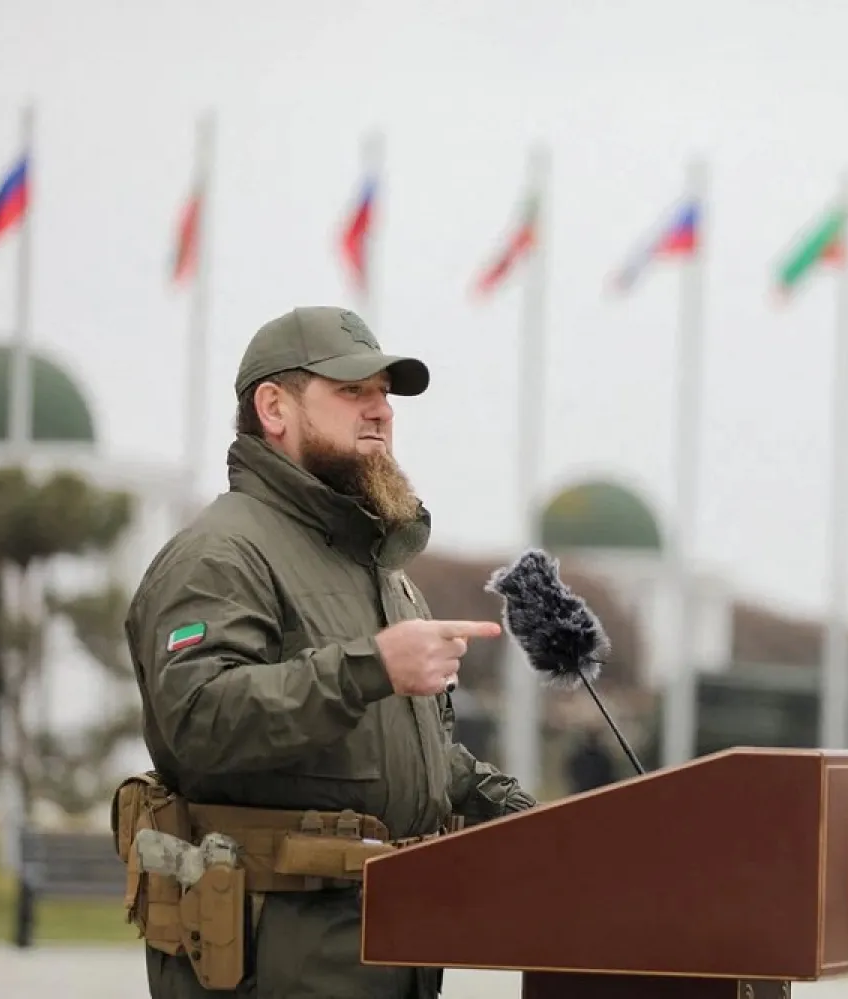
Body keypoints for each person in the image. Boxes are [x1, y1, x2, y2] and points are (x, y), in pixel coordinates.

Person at [114, 306, 537, 999]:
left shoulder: (379, 572)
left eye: (384, 394)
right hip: (275, 960)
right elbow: (197, 720)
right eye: (351, 390)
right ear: (274, 407)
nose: (379, 411)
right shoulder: (219, 554)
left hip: (384, 952)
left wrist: (527, 815)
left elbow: (395, 753)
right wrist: (371, 667)